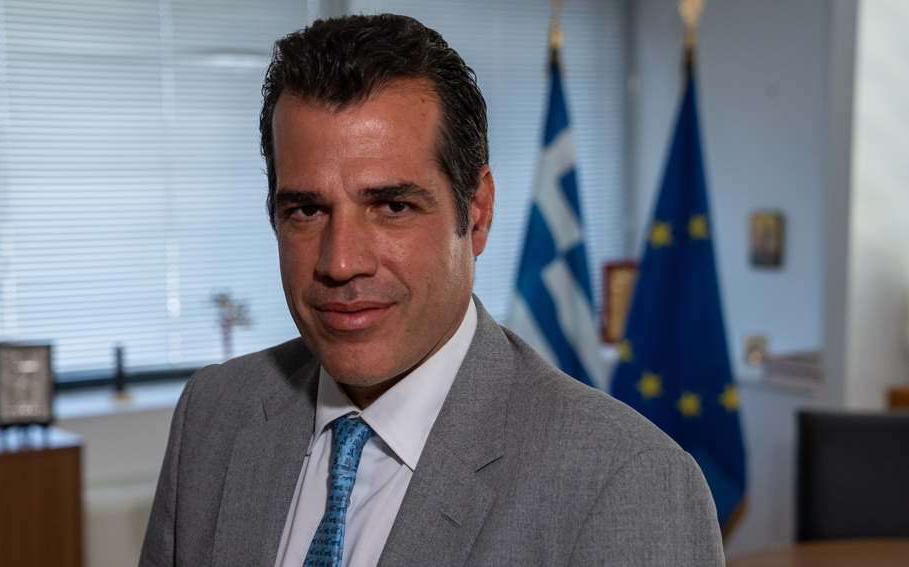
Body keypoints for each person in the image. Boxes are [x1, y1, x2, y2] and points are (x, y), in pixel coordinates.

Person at [139, 13, 723, 567]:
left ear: (477, 212)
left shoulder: (628, 483)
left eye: (392, 206)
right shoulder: (213, 414)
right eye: (307, 210)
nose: (340, 263)